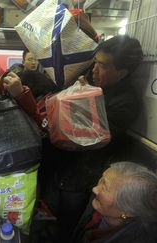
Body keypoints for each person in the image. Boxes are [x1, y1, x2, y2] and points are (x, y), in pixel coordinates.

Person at [40, 35, 144, 241]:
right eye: (95, 62)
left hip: (81, 176)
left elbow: (93, 138)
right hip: (59, 166)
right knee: (48, 215)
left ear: (122, 73)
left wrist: (82, 100)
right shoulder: (89, 79)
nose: (94, 69)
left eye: (102, 65)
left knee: (67, 225)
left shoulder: (126, 102)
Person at [70, 162, 157, 243]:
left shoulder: (142, 238)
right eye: (101, 180)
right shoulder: (99, 204)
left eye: (104, 187)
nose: (94, 189)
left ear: (127, 211)